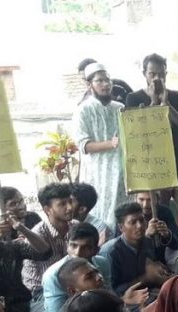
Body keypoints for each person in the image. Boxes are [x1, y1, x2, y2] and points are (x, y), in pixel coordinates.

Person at [125, 53, 178, 220]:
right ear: (144, 74)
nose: (157, 78)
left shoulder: (176, 96)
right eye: (152, 74)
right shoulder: (133, 98)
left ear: (166, 74)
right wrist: (153, 103)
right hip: (154, 171)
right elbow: (135, 133)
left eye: (161, 74)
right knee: (158, 218)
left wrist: (166, 105)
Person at [75, 63, 125, 228]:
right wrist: (110, 144)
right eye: (100, 81)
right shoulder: (83, 110)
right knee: (102, 218)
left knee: (124, 217)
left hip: (122, 174)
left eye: (107, 80)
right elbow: (84, 145)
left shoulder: (120, 108)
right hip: (98, 175)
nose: (105, 84)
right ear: (89, 85)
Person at [23, 183, 79, 312]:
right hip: (42, 293)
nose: (70, 207)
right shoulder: (37, 235)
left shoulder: (76, 226)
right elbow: (40, 283)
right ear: (47, 209)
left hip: (74, 286)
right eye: (62, 204)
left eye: (70, 201)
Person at [41, 222, 115, 312]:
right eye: (73, 245)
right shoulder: (53, 276)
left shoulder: (102, 263)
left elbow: (109, 295)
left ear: (96, 250)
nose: (77, 253)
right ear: (67, 246)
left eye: (86, 247)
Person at [100, 201, 168, 296]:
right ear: (121, 227)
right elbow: (111, 292)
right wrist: (145, 278)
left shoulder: (148, 242)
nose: (139, 226)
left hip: (148, 293)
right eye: (133, 222)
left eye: (142, 220)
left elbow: (154, 270)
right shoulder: (110, 252)